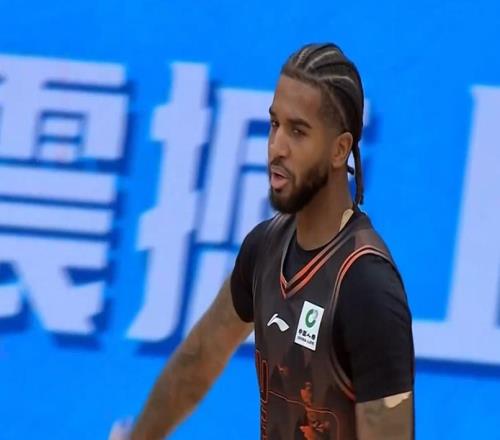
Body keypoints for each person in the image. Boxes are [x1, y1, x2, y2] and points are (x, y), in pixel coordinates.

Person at [111, 42, 415, 440]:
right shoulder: (264, 249)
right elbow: (197, 361)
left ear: (340, 149)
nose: (277, 147)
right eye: (274, 125)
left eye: (298, 131)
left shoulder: (367, 287)